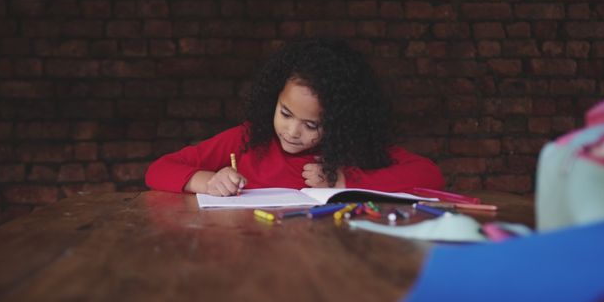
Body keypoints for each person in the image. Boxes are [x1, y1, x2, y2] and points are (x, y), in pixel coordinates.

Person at [145, 38, 444, 196]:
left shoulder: (351, 152)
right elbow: (158, 170)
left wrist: (346, 179)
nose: (292, 131)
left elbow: (430, 175)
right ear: (273, 99)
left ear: (339, 123)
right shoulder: (247, 139)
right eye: (285, 113)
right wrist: (207, 181)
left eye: (311, 125)